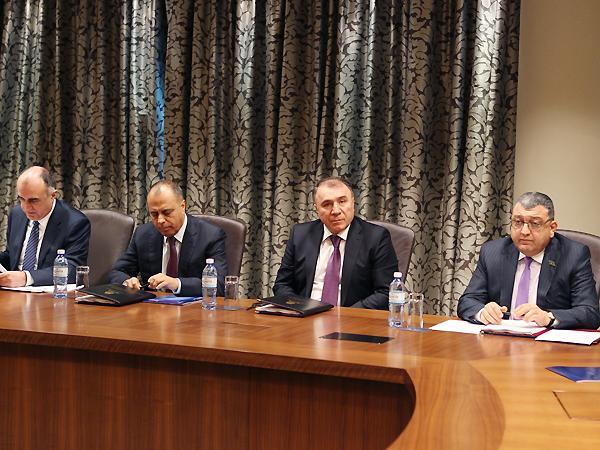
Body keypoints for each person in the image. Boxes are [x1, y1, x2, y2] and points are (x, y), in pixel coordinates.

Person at [458, 192, 600, 329]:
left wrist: (548, 318)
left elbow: (589, 313)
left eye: (535, 223)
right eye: (518, 222)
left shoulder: (573, 255)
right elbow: (467, 301)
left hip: (548, 342)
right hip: (500, 338)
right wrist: (483, 312)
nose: (524, 231)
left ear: (552, 228)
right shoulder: (492, 252)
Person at [273, 177, 398, 309]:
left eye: (342, 201)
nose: (336, 211)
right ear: (316, 209)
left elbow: (386, 292)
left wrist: (345, 316)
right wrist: (300, 309)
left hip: (351, 316)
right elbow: (282, 285)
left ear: (353, 202)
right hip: (305, 315)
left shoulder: (376, 237)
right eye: (327, 204)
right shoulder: (300, 234)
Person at [109, 180, 227, 296]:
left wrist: (176, 284)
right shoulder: (143, 234)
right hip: (152, 306)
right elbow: (117, 272)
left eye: (167, 212)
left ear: (182, 206)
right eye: (154, 214)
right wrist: (127, 281)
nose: (160, 220)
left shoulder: (210, 235)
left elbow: (220, 285)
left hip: (194, 306)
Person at [0, 166, 91, 287]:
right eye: (21, 199)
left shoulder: (75, 222)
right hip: (13, 291)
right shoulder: (17, 214)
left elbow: (72, 269)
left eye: (33, 200)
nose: (26, 208)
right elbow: (11, 255)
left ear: (53, 195)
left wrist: (27, 277)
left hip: (48, 293)